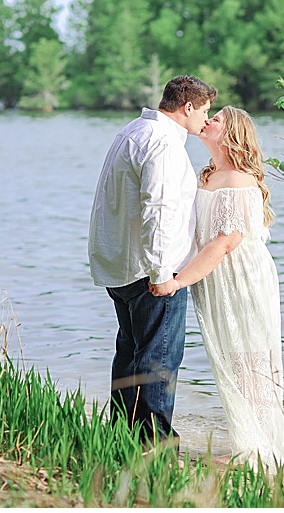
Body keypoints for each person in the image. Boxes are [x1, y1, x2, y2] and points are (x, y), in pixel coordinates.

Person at [150, 106, 284, 471]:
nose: (208, 121)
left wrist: (179, 281)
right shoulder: (209, 173)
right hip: (214, 277)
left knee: (248, 361)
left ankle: (260, 452)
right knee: (228, 358)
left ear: (232, 134)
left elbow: (224, 243)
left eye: (218, 118)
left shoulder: (240, 181)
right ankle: (247, 443)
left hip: (241, 278)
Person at [88, 75, 216, 447]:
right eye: (204, 111)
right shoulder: (162, 143)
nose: (206, 120)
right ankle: (153, 445)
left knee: (130, 353)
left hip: (120, 264)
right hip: (152, 271)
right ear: (187, 107)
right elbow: (157, 211)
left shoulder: (133, 130)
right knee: (160, 358)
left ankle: (120, 436)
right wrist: (163, 273)